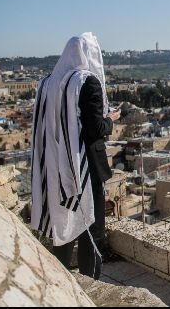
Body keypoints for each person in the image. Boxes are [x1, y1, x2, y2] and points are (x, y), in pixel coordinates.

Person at [30, 32, 120, 279]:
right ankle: (90, 282)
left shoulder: (47, 83)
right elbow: (95, 129)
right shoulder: (87, 81)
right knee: (91, 227)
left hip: (54, 165)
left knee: (65, 222)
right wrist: (110, 120)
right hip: (85, 165)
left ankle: (60, 279)